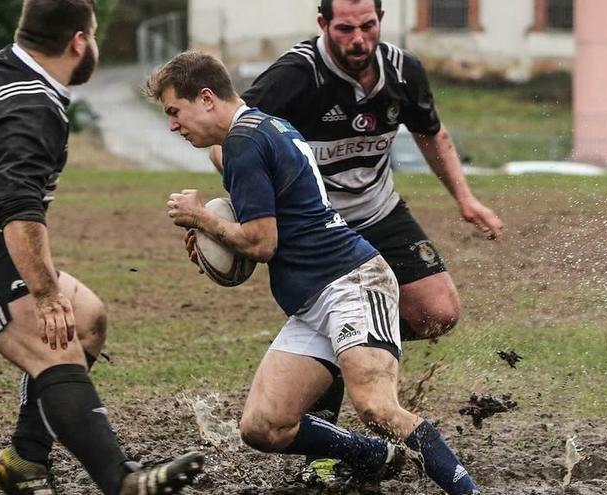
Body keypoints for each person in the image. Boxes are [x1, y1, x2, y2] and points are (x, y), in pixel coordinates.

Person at [0, 1, 204, 494]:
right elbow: (21, 212)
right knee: (55, 344)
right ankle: (121, 481)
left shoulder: (0, 63)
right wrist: (43, 293)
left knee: (88, 320)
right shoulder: (32, 103)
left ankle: (25, 458)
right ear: (79, 41)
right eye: (95, 35)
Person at [149, 50, 480, 495]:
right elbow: (263, 233)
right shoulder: (263, 127)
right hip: (312, 302)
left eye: (174, 111)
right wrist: (218, 237)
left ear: (206, 98)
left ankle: (468, 490)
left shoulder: (243, 142)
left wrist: (201, 219)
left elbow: (261, 243)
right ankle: (377, 455)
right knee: (263, 426)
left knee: (377, 407)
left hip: (352, 282)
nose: (173, 124)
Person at [208, 0, 505, 481]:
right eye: (345, 28)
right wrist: (252, 203)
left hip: (379, 209)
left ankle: (358, 349)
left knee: (438, 312)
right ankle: (339, 395)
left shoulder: (402, 70)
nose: (358, 39)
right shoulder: (294, 75)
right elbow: (233, 137)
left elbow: (431, 133)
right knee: (329, 336)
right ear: (323, 24)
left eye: (368, 26)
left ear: (380, 22)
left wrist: (465, 198)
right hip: (319, 225)